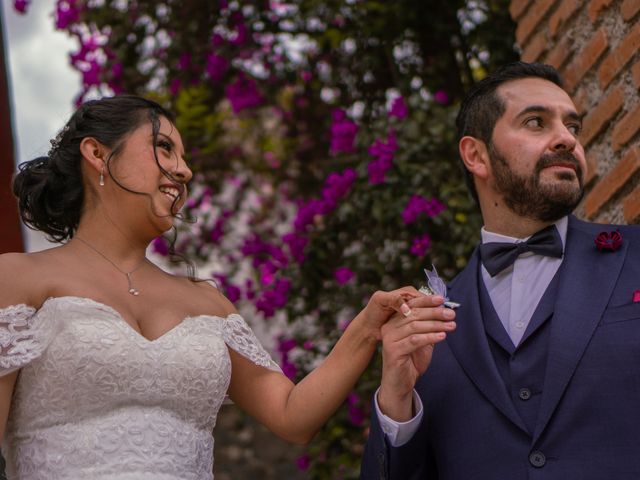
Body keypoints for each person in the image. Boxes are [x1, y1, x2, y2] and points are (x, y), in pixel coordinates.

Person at [0, 95, 453, 480]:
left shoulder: (206, 301)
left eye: (183, 156)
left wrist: (367, 328)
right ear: (98, 155)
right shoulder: (17, 278)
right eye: (164, 147)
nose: (185, 171)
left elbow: (293, 416)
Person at [361, 61, 640, 479]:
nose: (566, 139)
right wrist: (397, 404)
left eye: (573, 128)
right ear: (476, 155)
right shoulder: (429, 331)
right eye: (535, 122)